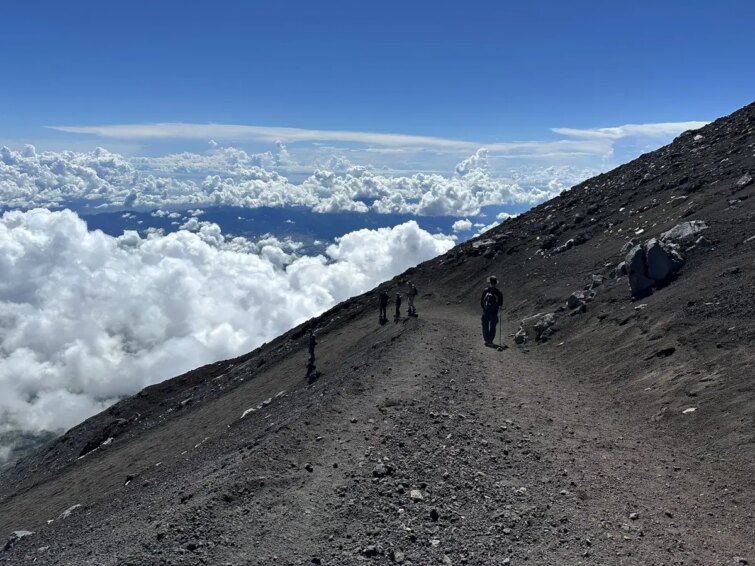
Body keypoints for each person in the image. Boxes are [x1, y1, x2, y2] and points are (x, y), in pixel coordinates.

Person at [480, 275, 504, 346]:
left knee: (485, 325)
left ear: (489, 283)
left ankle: (486, 340)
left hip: (486, 311)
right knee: (492, 326)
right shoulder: (498, 292)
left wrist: (485, 308)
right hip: (494, 312)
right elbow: (500, 304)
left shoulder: (485, 290)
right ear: (496, 283)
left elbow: (481, 302)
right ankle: (490, 340)